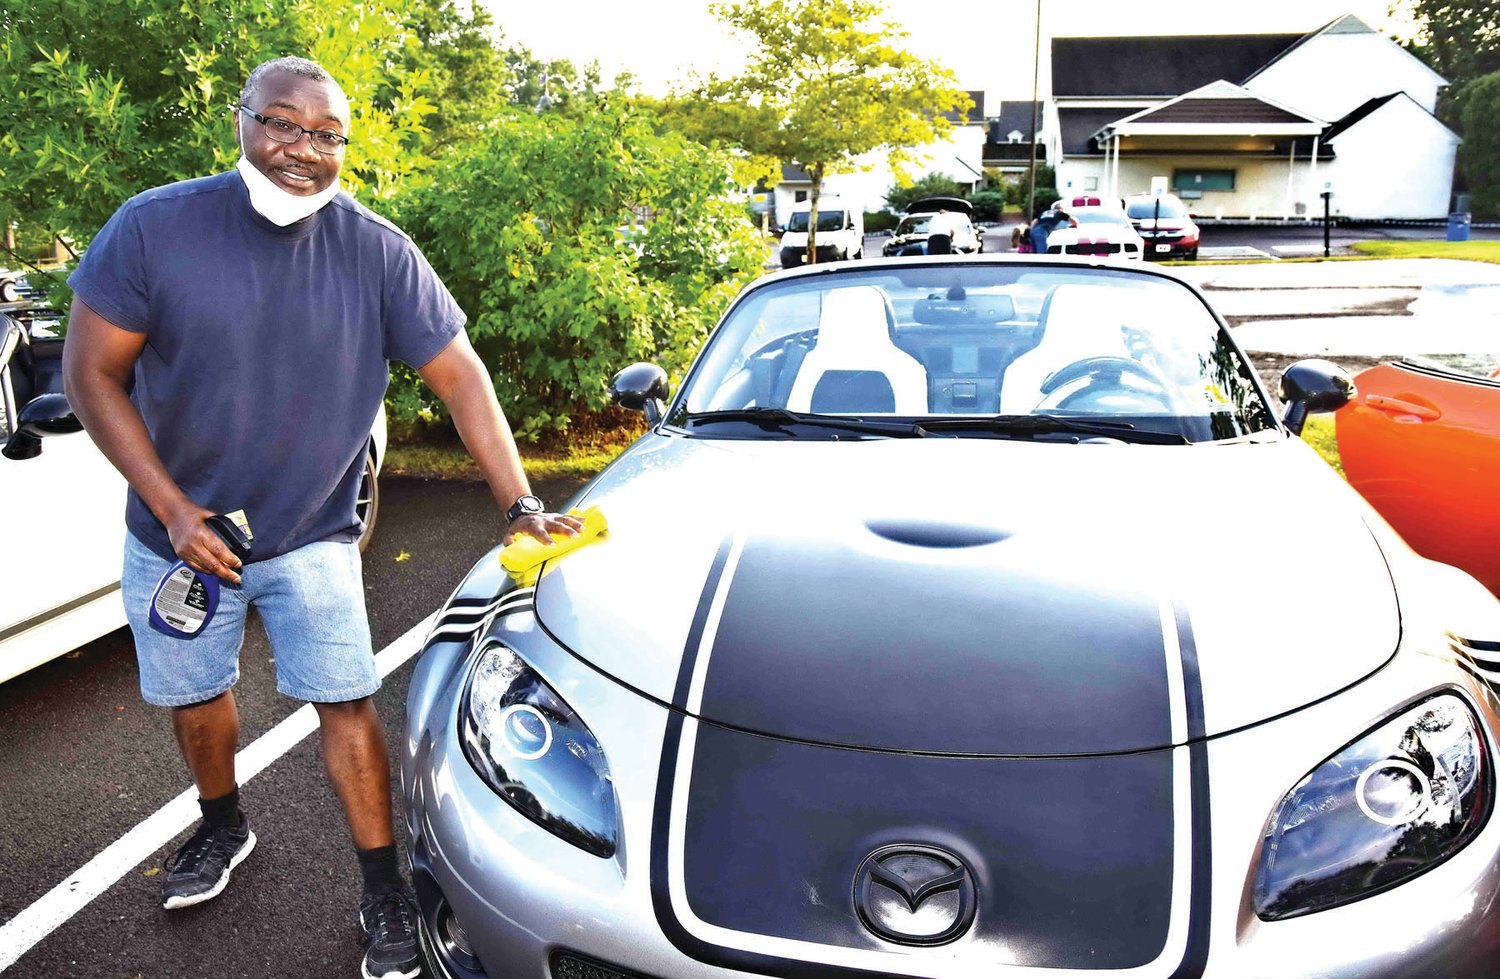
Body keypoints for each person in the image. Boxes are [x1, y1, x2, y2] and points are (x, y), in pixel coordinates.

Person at [62, 56, 582, 979]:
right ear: (242, 121)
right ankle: (223, 826)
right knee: (196, 697)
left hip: (309, 529)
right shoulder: (153, 229)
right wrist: (174, 509)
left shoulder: (376, 250)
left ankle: (381, 887)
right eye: (284, 124)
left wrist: (521, 501)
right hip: (177, 533)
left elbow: (461, 375)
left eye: (328, 134)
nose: (304, 149)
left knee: (345, 699)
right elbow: (90, 375)